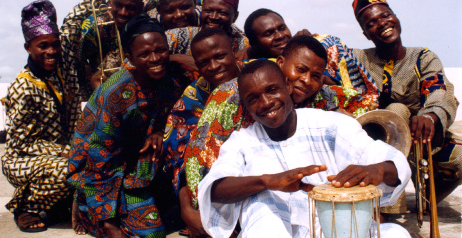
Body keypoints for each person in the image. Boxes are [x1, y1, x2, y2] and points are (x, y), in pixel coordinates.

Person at [197, 60, 411, 237]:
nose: (265, 103)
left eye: (272, 90)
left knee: (396, 234)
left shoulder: (332, 125)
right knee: (261, 204)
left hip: (339, 231)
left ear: (288, 87)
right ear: (245, 105)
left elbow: (390, 162)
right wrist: (266, 181)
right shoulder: (242, 142)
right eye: (253, 99)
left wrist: (379, 169)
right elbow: (214, 189)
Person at [184, 36, 376, 208]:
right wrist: (196, 205)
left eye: (316, 76)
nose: (307, 80)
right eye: (300, 70)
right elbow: (199, 157)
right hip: (247, 198)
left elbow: (370, 107)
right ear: (281, 62)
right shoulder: (230, 96)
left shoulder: (322, 96)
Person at [67, 14, 187, 237]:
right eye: (144, 54)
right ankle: (84, 201)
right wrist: (108, 221)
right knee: (151, 234)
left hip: (141, 165)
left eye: (160, 50)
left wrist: (162, 131)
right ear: (130, 58)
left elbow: (178, 115)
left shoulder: (172, 80)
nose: (154, 59)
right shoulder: (117, 94)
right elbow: (100, 158)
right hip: (105, 171)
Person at [351, 0, 461, 209]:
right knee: (397, 110)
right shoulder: (357, 59)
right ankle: (390, 208)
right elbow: (327, 52)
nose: (382, 23)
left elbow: (439, 91)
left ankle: (428, 197)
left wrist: (430, 116)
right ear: (365, 34)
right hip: (376, 148)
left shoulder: (423, 57)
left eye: (385, 16)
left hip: (422, 140)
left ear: (396, 18)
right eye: (371, 23)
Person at [2, 0, 80, 232]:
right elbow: (23, 143)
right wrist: (68, 151)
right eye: (43, 46)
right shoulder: (22, 87)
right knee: (70, 168)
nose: (51, 51)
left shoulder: (60, 63)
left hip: (61, 151)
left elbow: (76, 19)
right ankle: (25, 207)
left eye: (55, 45)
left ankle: (55, 202)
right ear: (28, 47)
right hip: (22, 160)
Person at [162, 28, 242, 237]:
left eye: (220, 56)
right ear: (197, 65)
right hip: (216, 190)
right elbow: (178, 158)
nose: (214, 66)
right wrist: (188, 211)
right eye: (204, 62)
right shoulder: (193, 97)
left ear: (234, 50)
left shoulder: (260, 77)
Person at [236, 8, 378, 102]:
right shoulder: (249, 67)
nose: (280, 36)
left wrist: (327, 78)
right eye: (269, 33)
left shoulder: (320, 46)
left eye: (282, 28)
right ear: (253, 43)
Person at [61, 0, 145, 100]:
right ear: (110, 2)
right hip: (104, 92)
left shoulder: (149, 19)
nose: (123, 12)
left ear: (141, 7)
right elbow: (72, 19)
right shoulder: (95, 26)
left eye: (130, 7)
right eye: (118, 5)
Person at [165, 0, 249, 56]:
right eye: (208, 11)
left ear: (235, 17)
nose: (213, 17)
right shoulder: (178, 36)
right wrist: (176, 58)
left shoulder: (245, 46)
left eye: (222, 13)